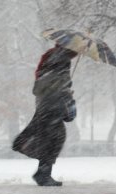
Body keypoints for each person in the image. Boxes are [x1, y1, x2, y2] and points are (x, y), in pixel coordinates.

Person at [12, 44, 78, 186]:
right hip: (52, 105)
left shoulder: (53, 57)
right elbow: (56, 82)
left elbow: (45, 83)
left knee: (51, 139)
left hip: (46, 105)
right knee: (54, 139)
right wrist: (65, 90)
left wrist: (64, 88)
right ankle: (43, 173)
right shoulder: (61, 59)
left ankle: (43, 173)